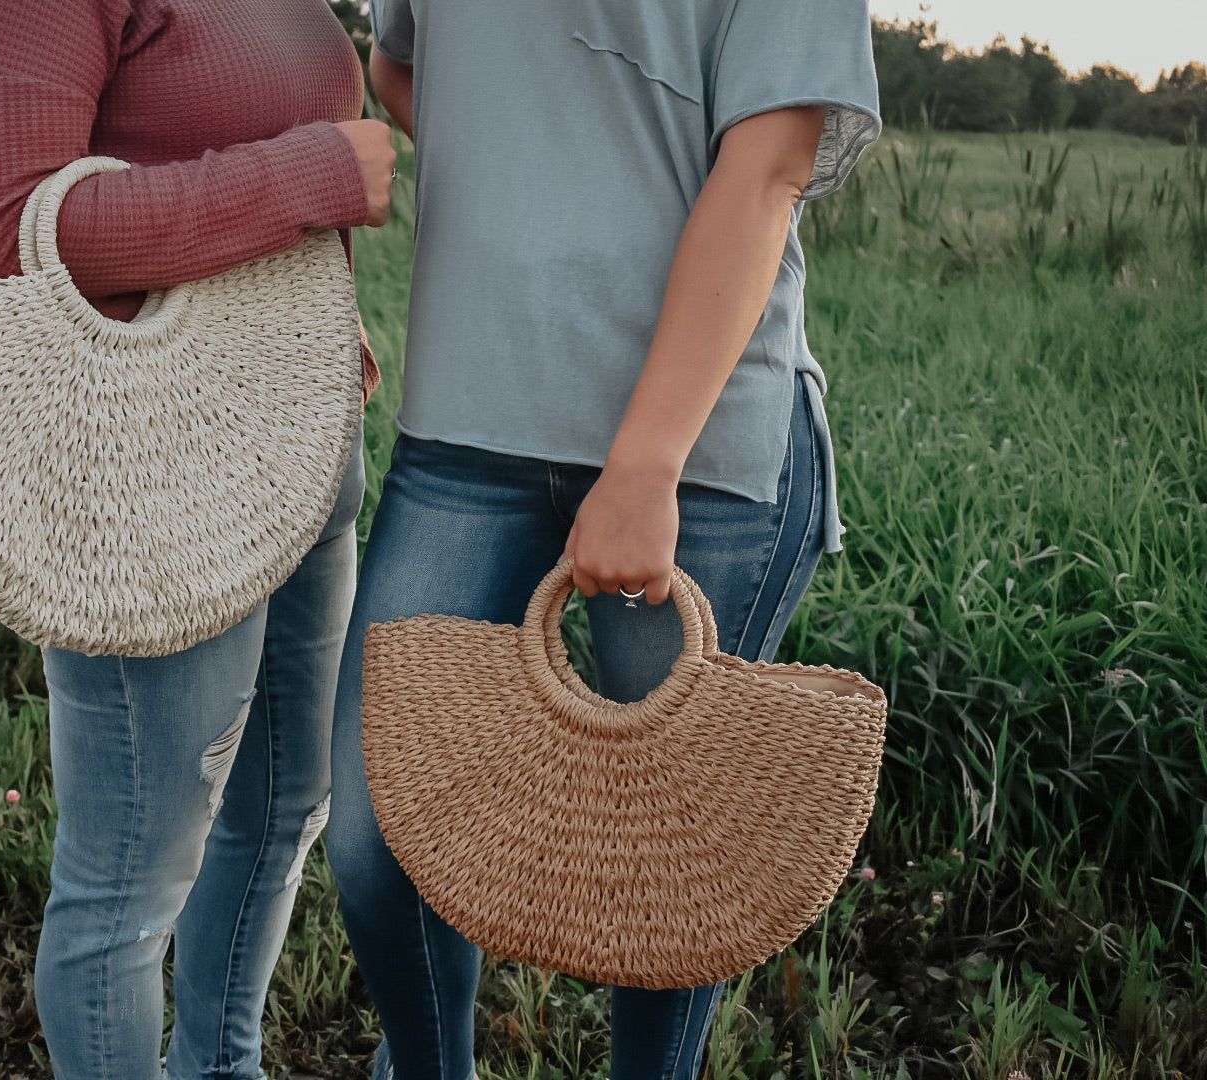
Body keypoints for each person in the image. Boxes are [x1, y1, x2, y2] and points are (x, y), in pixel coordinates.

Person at [323, 2, 881, 1078]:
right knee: (377, 834)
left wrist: (645, 463)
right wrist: (540, 203)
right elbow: (400, 70)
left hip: (696, 456)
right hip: (467, 424)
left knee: (672, 875)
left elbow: (771, 162)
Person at [0, 2, 396, 1077]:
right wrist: (315, 173)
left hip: (301, 435)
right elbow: (11, 235)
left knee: (286, 806)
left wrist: (325, 303)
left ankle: (222, 1068)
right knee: (131, 883)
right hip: (147, 467)